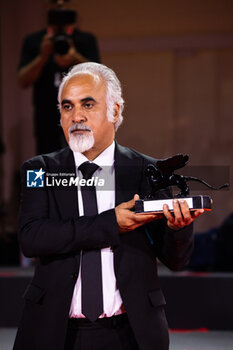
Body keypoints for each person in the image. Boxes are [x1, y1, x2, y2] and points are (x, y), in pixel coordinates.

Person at [13, 62, 204, 350]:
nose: (76, 116)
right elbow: (32, 237)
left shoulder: (149, 171)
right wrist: (110, 224)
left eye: (88, 104)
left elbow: (176, 260)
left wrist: (179, 229)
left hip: (130, 334)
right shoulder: (40, 169)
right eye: (67, 107)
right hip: (53, 333)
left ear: (115, 111)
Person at [18, 0, 100, 155]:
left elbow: (99, 76)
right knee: (47, 161)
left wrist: (75, 58)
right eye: (55, 3)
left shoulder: (85, 39)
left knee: (84, 156)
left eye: (64, 3)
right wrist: (43, 56)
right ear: (47, 9)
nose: (60, 6)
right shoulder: (35, 41)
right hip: (46, 113)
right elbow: (23, 80)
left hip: (81, 113)